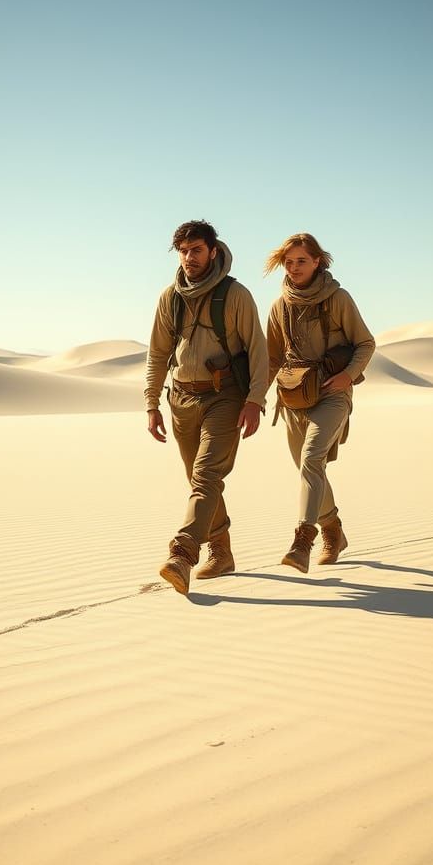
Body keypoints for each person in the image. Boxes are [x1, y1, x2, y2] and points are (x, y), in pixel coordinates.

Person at [146, 220, 269, 595]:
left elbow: (258, 351)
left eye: (196, 250)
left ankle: (183, 553)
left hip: (225, 398)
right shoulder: (170, 297)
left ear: (213, 251)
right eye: (183, 251)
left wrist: (255, 401)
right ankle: (222, 551)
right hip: (181, 399)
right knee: (199, 480)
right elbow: (158, 353)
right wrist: (152, 403)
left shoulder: (236, 295)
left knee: (205, 476)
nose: (189, 258)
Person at [265, 232, 375, 572]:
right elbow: (270, 359)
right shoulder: (279, 305)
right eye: (289, 261)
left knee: (311, 459)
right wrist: (253, 401)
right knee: (309, 468)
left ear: (317, 261)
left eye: (302, 260)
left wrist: (348, 376)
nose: (294, 268)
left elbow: (366, 343)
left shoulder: (337, 299)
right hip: (292, 400)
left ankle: (303, 540)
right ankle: (333, 530)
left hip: (332, 395)